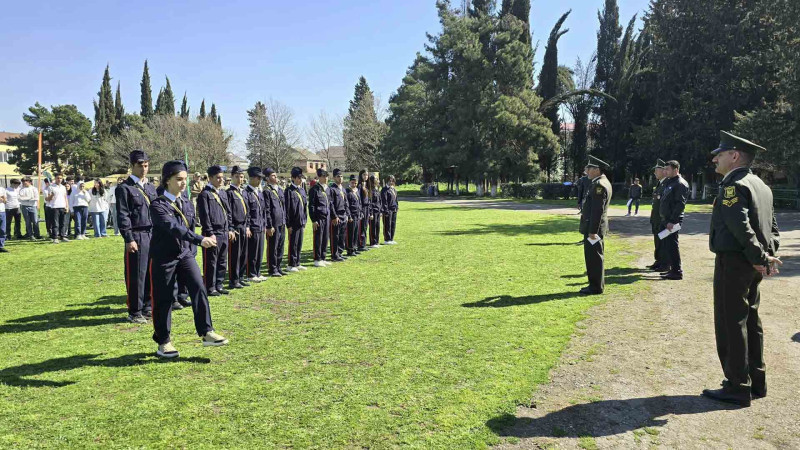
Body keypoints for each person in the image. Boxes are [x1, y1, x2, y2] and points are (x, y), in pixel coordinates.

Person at [701, 131, 782, 407]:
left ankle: (737, 386)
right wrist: (767, 255)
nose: (715, 159)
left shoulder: (734, 185)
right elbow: (772, 227)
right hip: (751, 262)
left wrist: (759, 256)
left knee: (731, 322)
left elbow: (740, 226)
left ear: (734, 156)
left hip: (735, 262)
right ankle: (756, 382)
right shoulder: (761, 185)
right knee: (751, 320)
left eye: (720, 154)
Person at [149, 160, 228, 358]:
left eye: (185, 179)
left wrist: (192, 250)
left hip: (185, 254)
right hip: (164, 257)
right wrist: (200, 240)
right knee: (164, 298)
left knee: (199, 288)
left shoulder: (186, 202)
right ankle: (163, 341)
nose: (183, 183)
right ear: (167, 180)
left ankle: (207, 332)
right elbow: (175, 228)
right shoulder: (158, 205)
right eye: (179, 179)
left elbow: (190, 226)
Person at [116, 151, 158, 323]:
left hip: (152, 234)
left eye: (146, 165)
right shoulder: (125, 188)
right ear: (132, 166)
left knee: (150, 273)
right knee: (136, 274)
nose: (144, 169)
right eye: (140, 165)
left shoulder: (150, 188)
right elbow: (123, 215)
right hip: (137, 235)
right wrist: (129, 238)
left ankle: (148, 306)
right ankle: (135, 311)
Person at [197, 165, 235, 297]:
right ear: (210, 178)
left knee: (222, 261)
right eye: (218, 178)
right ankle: (210, 286)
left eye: (222, 178)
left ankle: (219, 284)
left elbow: (228, 212)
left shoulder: (222, 193)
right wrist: (210, 233)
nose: (221, 180)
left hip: (224, 231)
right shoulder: (205, 194)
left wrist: (230, 228)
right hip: (213, 233)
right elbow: (205, 216)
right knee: (211, 261)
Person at [578, 155, 613, 295]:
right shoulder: (600, 182)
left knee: (594, 258)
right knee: (593, 257)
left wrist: (593, 231)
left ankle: (596, 287)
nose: (587, 171)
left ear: (597, 170)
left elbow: (597, 210)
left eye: (589, 168)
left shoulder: (599, 185)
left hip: (594, 229)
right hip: (594, 227)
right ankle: (595, 285)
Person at [658, 160, 690, 280]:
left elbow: (680, 204)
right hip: (666, 220)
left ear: (676, 170)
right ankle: (671, 269)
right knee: (667, 244)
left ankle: (677, 271)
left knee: (672, 245)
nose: (665, 171)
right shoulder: (670, 181)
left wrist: (672, 221)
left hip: (672, 221)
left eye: (667, 169)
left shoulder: (680, 183)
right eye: (664, 169)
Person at [226, 166, 250, 289]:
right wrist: (230, 228)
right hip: (235, 227)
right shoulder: (229, 193)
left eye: (241, 177)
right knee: (235, 255)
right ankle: (233, 280)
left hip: (244, 226)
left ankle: (241, 277)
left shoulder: (243, 192)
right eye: (237, 177)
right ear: (232, 177)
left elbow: (248, 210)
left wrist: (248, 226)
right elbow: (228, 212)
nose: (239, 179)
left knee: (243, 254)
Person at [263, 167, 287, 277]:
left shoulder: (280, 190)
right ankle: (272, 268)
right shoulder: (266, 191)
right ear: (267, 178)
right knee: (273, 246)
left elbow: (283, 206)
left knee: (280, 246)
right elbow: (267, 209)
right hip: (273, 223)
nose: (276, 177)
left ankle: (278, 266)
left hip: (281, 221)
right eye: (273, 175)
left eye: (275, 175)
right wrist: (269, 225)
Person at [244, 167, 266, 282]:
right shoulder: (246, 193)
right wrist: (248, 226)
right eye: (258, 178)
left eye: (261, 178)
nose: (260, 181)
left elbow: (263, 210)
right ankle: (251, 274)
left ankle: (257, 271)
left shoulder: (259, 192)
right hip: (253, 226)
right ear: (252, 178)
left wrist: (264, 224)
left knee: (259, 251)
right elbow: (247, 212)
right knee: (252, 252)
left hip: (260, 225)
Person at [285, 167, 308, 272]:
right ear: (293, 178)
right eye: (298, 178)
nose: (300, 180)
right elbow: (287, 208)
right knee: (293, 244)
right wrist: (288, 225)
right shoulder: (289, 191)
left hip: (301, 221)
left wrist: (304, 221)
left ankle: (297, 262)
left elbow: (305, 206)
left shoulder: (302, 190)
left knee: (299, 243)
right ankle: (291, 264)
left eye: (301, 178)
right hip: (293, 222)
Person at [647, 160, 668, 271]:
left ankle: (664, 263)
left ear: (664, 171)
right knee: (657, 241)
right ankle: (658, 260)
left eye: (656, 170)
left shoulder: (667, 184)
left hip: (661, 219)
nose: (655, 172)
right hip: (656, 218)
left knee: (663, 242)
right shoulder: (660, 183)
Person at [308, 168, 331, 267]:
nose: (325, 178)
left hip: (327, 216)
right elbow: (311, 205)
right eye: (323, 176)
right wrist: (313, 219)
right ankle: (317, 259)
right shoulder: (314, 189)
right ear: (319, 177)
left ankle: (323, 257)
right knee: (318, 238)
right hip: (318, 217)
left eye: (326, 176)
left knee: (325, 238)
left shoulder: (327, 189)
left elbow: (330, 203)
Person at [328, 169, 349, 262]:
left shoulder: (343, 189)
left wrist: (347, 214)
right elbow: (331, 204)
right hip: (336, 215)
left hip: (343, 214)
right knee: (335, 235)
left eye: (341, 176)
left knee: (342, 235)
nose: (340, 178)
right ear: (334, 178)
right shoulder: (332, 189)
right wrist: (334, 216)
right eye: (338, 176)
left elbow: (346, 203)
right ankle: (334, 254)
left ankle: (339, 253)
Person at [47, 174, 70, 243]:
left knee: (62, 223)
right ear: (55, 179)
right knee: (55, 224)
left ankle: (62, 236)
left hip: (62, 206)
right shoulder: (51, 187)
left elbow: (65, 197)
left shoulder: (63, 187)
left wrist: (67, 206)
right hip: (54, 207)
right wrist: (52, 195)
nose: (59, 179)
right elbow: (47, 199)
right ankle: (55, 237)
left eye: (60, 178)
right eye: (58, 178)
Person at [345, 175, 362, 256]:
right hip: (351, 215)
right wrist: (349, 215)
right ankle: (350, 249)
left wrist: (361, 212)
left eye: (355, 183)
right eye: (352, 183)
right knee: (350, 233)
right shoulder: (347, 191)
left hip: (357, 214)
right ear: (349, 182)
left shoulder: (357, 190)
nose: (354, 184)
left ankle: (354, 248)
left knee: (356, 232)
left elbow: (359, 202)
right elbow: (347, 205)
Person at [381, 175, 398, 244]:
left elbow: (396, 199)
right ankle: (387, 239)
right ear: (387, 181)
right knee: (387, 224)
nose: (391, 182)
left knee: (393, 224)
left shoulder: (394, 189)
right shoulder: (384, 189)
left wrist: (397, 206)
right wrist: (386, 210)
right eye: (390, 181)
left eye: (392, 181)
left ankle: (391, 238)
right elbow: (384, 201)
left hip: (394, 209)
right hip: (388, 210)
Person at [357, 169, 370, 252]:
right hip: (362, 208)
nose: (366, 176)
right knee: (361, 227)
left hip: (367, 208)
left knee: (365, 226)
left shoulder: (367, 185)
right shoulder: (359, 185)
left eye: (367, 175)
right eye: (364, 175)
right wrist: (361, 210)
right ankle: (360, 244)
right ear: (361, 175)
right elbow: (359, 199)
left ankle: (364, 243)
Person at [368, 175, 382, 248]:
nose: (378, 180)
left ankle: (377, 241)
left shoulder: (377, 189)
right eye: (376, 179)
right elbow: (370, 203)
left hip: (378, 211)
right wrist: (371, 213)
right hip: (373, 211)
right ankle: (372, 242)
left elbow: (380, 201)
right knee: (372, 227)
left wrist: (381, 211)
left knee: (377, 226)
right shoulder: (371, 190)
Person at [0, 185, 6, 252]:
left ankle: (1, 246)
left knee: (2, 229)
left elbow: (5, 200)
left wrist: (3, 199)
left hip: (2, 211)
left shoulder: (2, 189)